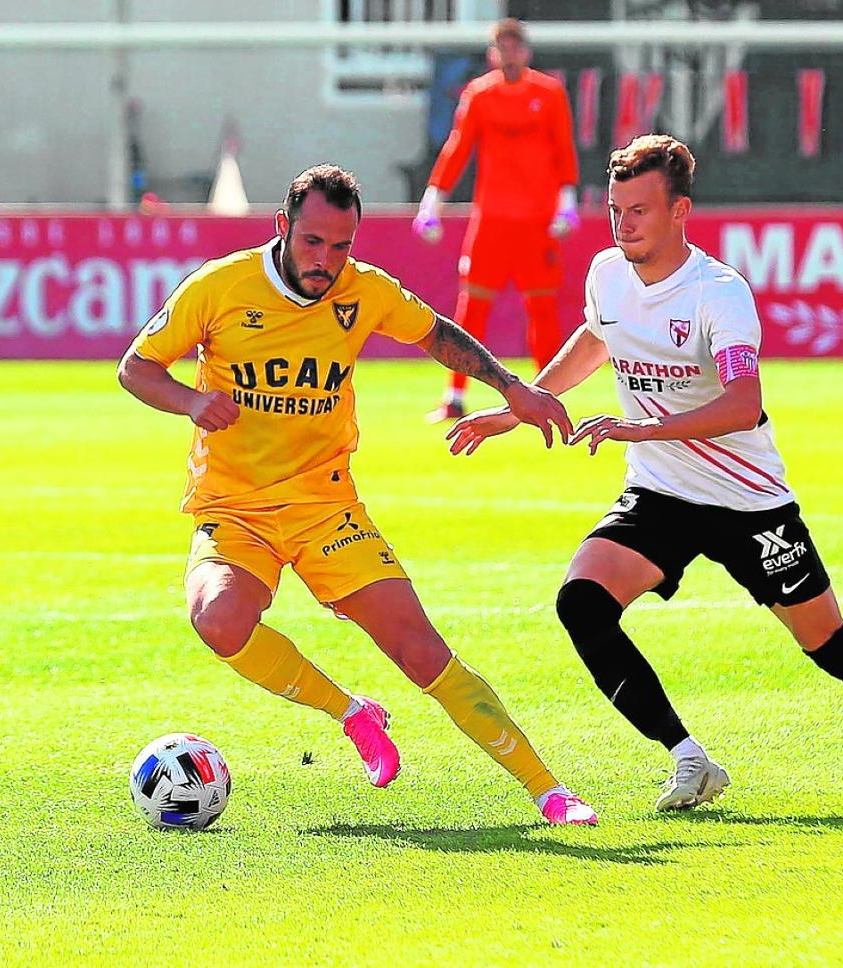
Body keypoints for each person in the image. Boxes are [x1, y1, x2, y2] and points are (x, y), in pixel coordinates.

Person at [445, 135, 843, 809]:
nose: (624, 223)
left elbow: (742, 403)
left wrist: (645, 427)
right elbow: (597, 335)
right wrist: (522, 406)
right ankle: (689, 758)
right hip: (660, 493)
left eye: (639, 209)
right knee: (581, 603)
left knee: (829, 644)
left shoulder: (719, 294)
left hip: (749, 503)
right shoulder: (607, 273)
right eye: (615, 209)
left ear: (679, 211)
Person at [117, 164, 596, 826]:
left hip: (326, 508)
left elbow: (436, 334)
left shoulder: (362, 291)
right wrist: (193, 401)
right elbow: (135, 368)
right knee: (219, 620)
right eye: (313, 242)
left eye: (342, 246)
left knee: (423, 652)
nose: (326, 261)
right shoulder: (221, 287)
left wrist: (511, 387)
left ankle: (550, 791)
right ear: (283, 227)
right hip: (236, 508)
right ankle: (352, 712)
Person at [413, 17, 580, 423]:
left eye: (515, 46)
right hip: (490, 220)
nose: (509, 54)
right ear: (493, 53)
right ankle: (455, 395)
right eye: (502, 47)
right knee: (472, 311)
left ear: (526, 51)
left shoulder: (548, 92)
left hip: (537, 220)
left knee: (542, 308)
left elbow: (563, 146)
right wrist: (432, 199)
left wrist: (566, 200)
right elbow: (458, 148)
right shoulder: (480, 95)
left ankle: (548, 393)